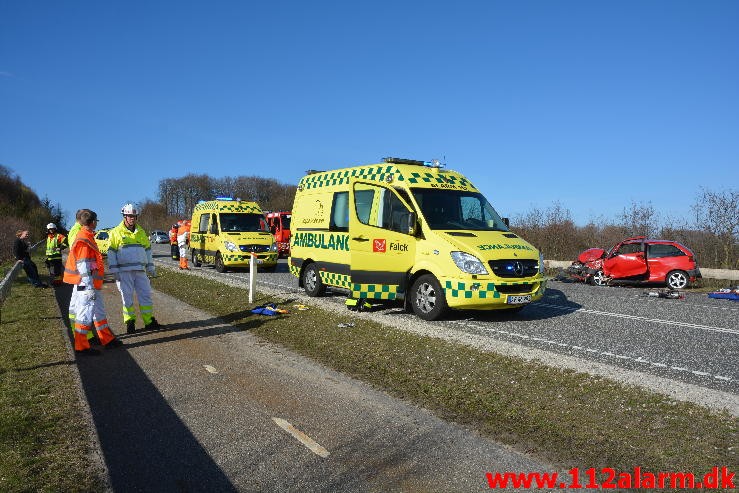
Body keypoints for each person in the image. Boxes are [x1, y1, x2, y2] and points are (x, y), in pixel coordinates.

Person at [63, 209, 123, 355]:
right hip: (86, 285)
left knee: (98, 312)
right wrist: (89, 286)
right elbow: (83, 265)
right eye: (97, 220)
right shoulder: (84, 239)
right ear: (92, 222)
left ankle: (106, 339)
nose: (97, 223)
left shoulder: (87, 236)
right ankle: (81, 347)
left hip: (90, 284)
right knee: (84, 316)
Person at [107, 203, 161, 334]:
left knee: (145, 295)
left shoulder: (141, 232)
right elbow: (111, 253)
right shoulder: (115, 233)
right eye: (129, 216)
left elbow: (147, 251)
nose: (132, 218)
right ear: (124, 216)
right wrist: (114, 271)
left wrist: (150, 267)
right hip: (124, 272)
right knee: (127, 297)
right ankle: (130, 322)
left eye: (134, 216)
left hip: (140, 271)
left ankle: (148, 322)